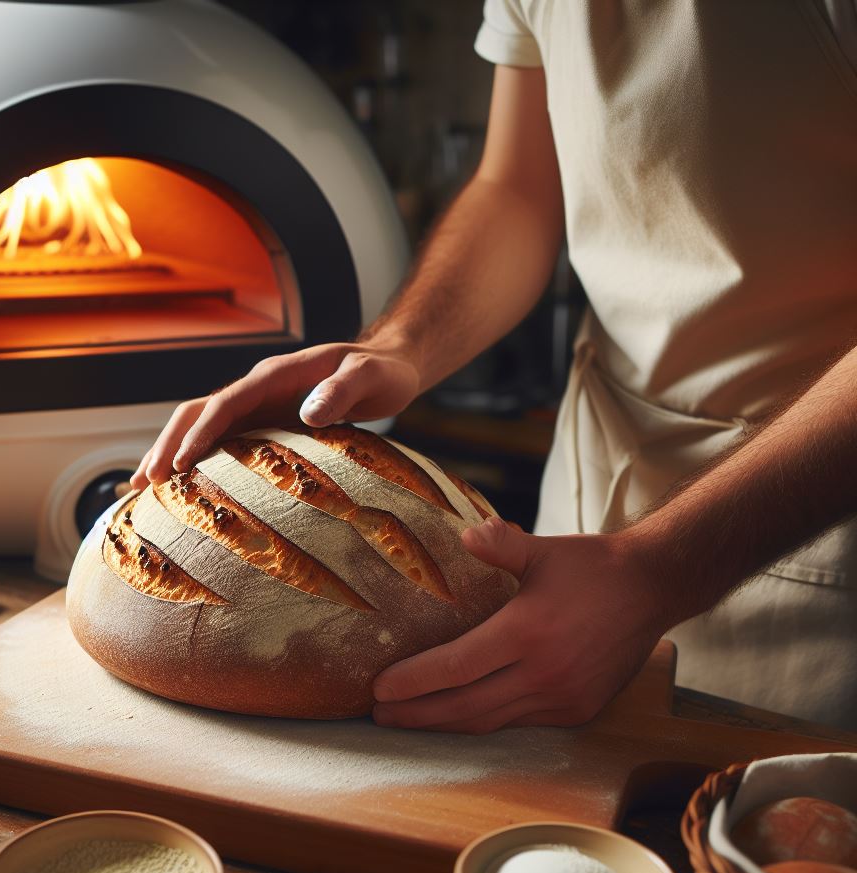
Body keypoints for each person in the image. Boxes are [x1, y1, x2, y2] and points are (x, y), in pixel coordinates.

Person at [131, 2, 857, 733]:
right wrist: (399, 345)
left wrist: (659, 571)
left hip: (801, 533)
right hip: (594, 483)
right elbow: (515, 187)